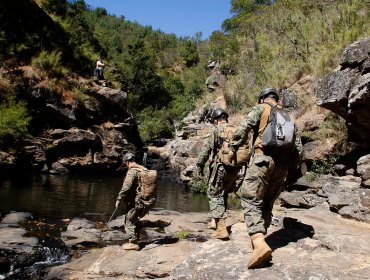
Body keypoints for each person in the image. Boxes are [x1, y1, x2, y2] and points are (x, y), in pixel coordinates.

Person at [229, 87, 303, 269]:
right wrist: (291, 169)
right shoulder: (289, 116)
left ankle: (258, 240)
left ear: (262, 98)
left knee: (249, 198)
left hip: (263, 159)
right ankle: (259, 242)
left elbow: (243, 128)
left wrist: (232, 147)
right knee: (268, 202)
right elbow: (298, 148)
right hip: (282, 165)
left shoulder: (261, 108)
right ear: (276, 99)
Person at [196, 108, 242, 239]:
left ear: (215, 120)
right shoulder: (236, 128)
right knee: (224, 193)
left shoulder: (217, 130)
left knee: (214, 193)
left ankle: (221, 228)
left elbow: (206, 149)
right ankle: (215, 221)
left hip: (221, 167)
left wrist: (199, 164)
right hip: (235, 168)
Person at [115, 152, 157, 251]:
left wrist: (119, 198)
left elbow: (126, 187)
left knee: (129, 220)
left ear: (126, 162)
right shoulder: (143, 169)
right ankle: (137, 237)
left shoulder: (132, 171)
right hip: (147, 201)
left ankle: (133, 243)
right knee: (135, 219)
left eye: (125, 164)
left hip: (137, 202)